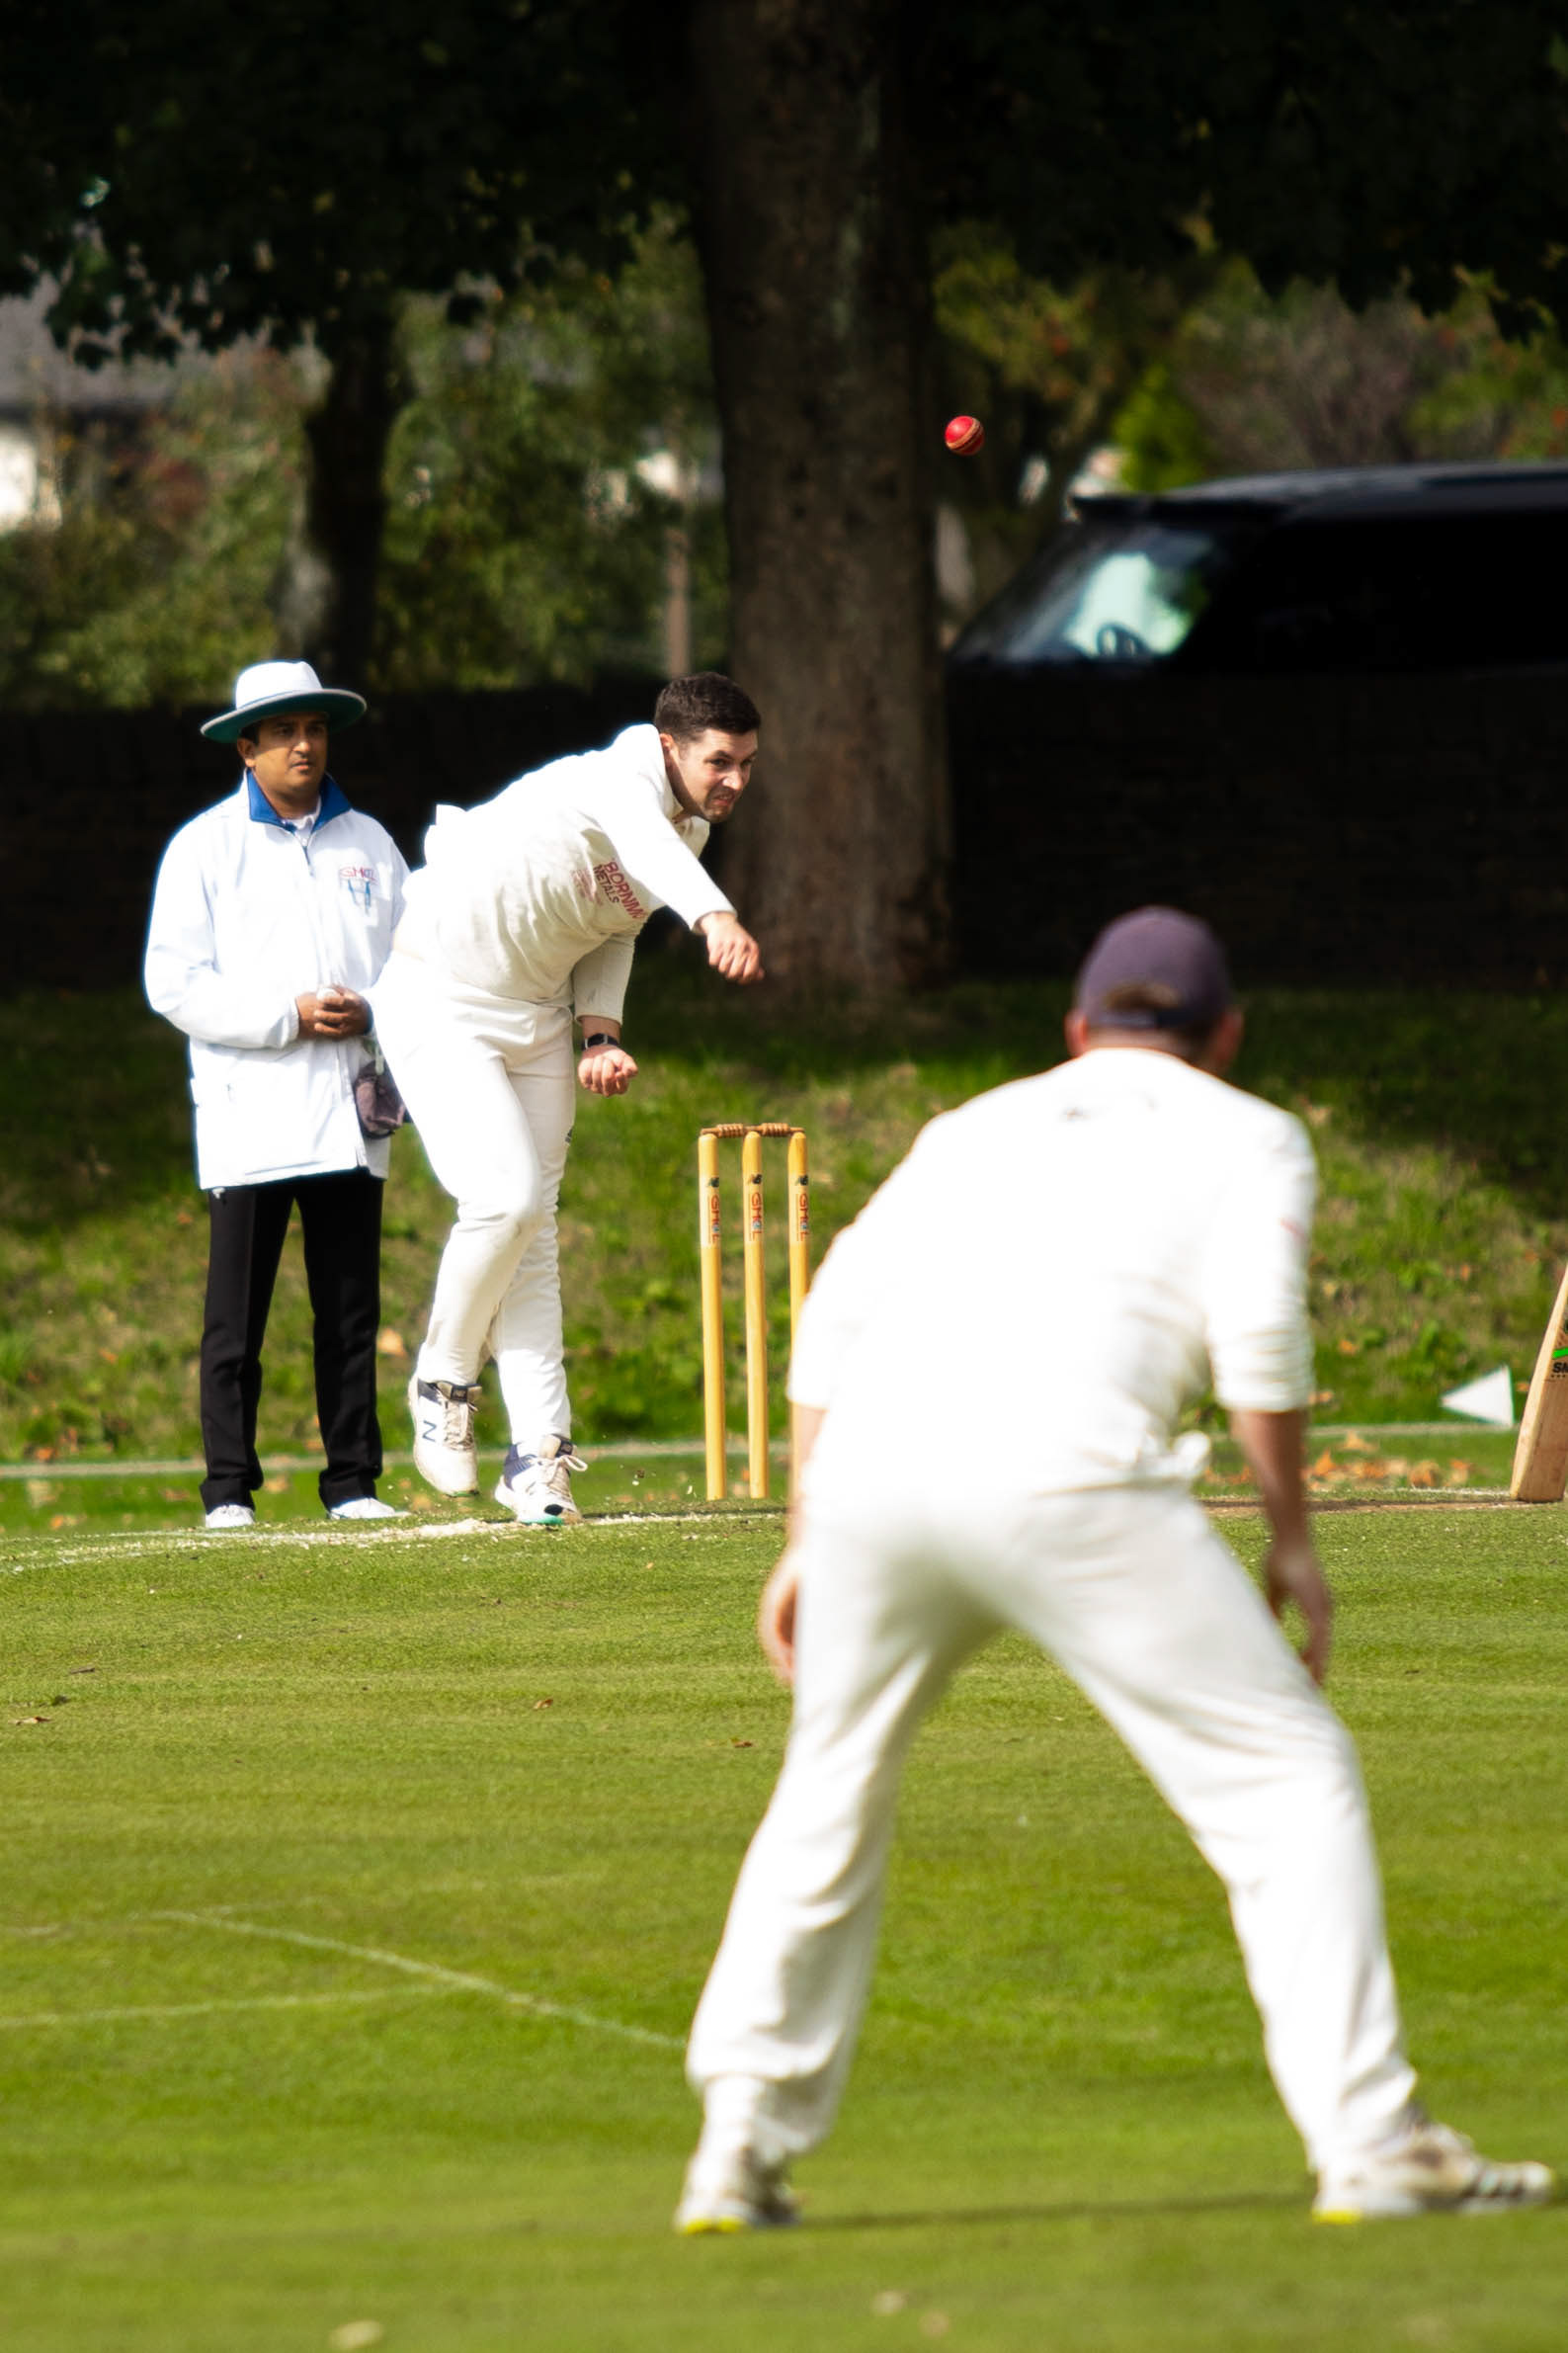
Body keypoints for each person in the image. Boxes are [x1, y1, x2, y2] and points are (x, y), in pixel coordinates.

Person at [676, 906, 1552, 2230]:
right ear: (1226, 1038)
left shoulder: (969, 1126)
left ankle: (735, 2143)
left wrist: (806, 1527)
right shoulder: (1251, 1132)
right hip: (1071, 1478)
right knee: (1284, 1775)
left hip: (875, 1474)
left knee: (829, 1789)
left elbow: (833, 1313)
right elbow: (1257, 1340)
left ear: (1076, 1028)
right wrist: (1291, 1542)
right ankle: (1370, 2139)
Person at [371, 671, 764, 1526]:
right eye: (719, 761)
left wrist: (599, 1032)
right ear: (669, 746)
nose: (733, 780)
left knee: (534, 1229)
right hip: (438, 994)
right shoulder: (612, 781)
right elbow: (647, 856)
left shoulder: (686, 831)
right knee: (503, 1202)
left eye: (745, 764)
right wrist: (714, 917)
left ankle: (537, 1458)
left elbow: (614, 926)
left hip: (539, 1013)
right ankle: (441, 1377)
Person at [145, 660, 409, 1531]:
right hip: (250, 1115)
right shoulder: (204, 847)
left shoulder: (368, 842)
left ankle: (354, 1481)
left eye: (317, 729)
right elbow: (172, 983)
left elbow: (417, 967)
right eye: (285, 731)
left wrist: (371, 1004)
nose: (305, 744)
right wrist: (285, 1016)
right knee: (236, 1322)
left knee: (347, 1311)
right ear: (246, 747)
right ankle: (228, 1488)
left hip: (352, 1111)